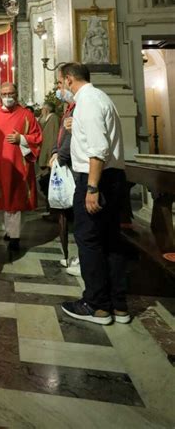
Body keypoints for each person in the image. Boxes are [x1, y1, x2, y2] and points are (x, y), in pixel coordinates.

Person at [58, 63, 130, 326]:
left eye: (60, 83)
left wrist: (91, 188)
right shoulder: (100, 97)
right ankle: (118, 305)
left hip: (96, 178)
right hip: (112, 177)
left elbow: (98, 149)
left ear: (68, 79)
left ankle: (96, 305)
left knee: (89, 239)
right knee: (111, 239)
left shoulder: (86, 102)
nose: (61, 88)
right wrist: (73, 126)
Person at [0, 82, 42, 252]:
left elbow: (37, 137)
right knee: (3, 198)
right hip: (0, 164)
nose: (8, 97)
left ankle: (15, 236)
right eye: (4, 94)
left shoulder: (26, 115)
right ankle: (8, 230)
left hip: (19, 165)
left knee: (15, 200)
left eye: (11, 93)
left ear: (16, 94)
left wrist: (22, 139)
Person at [51, 85, 79, 275]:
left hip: (74, 166)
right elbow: (61, 136)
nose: (59, 89)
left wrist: (60, 156)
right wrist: (55, 151)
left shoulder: (79, 106)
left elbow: (70, 138)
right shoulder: (68, 109)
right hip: (64, 161)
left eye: (61, 84)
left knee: (81, 218)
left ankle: (81, 258)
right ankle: (74, 255)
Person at [38, 102, 60, 219]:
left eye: (42, 109)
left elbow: (52, 140)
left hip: (49, 159)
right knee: (45, 184)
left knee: (49, 185)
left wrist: (50, 158)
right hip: (45, 158)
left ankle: (53, 212)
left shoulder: (53, 119)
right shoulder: (47, 119)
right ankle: (50, 210)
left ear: (46, 110)